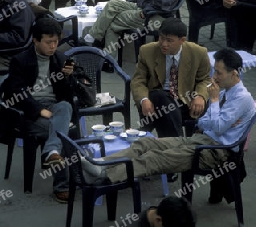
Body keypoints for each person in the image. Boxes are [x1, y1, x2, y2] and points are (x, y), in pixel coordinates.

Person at [80, 48, 256, 187]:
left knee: (156, 157)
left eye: (219, 73)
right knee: (146, 142)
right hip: (201, 139)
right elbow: (202, 121)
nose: (214, 77)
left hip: (216, 151)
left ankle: (106, 175)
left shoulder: (242, 98)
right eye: (214, 72)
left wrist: (215, 105)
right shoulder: (223, 91)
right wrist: (218, 120)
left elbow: (217, 127)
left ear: (234, 74)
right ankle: (100, 163)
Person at [1, 17, 75, 203]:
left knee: (65, 107)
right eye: (48, 42)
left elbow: (67, 97)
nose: (53, 46)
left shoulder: (61, 59)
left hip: (55, 108)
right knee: (62, 132)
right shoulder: (20, 60)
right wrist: (38, 110)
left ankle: (51, 152)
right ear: (35, 40)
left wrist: (67, 78)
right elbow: (14, 91)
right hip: (28, 112)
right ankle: (62, 186)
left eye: (56, 42)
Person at [131, 18, 210, 138]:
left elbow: (205, 80)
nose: (163, 44)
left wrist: (200, 96)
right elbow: (138, 80)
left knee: (165, 112)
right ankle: (177, 145)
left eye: (169, 41)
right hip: (159, 98)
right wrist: (143, 100)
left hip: (186, 100)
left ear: (182, 40)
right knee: (160, 98)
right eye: (161, 38)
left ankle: (169, 145)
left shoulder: (198, 52)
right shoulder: (147, 51)